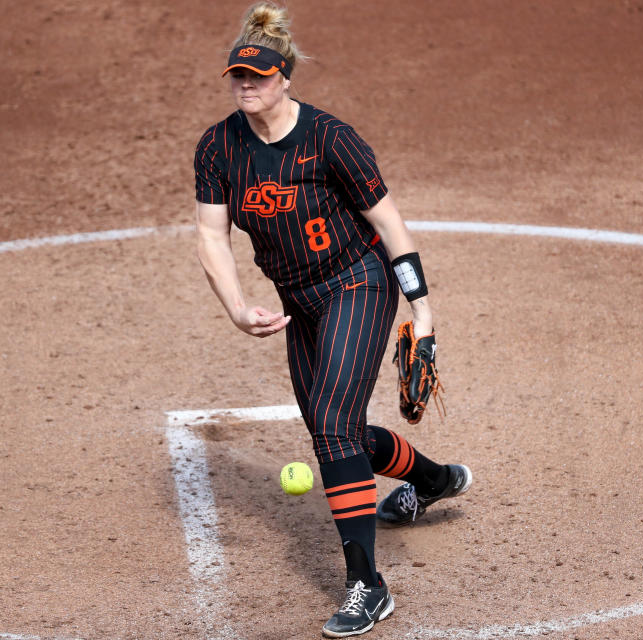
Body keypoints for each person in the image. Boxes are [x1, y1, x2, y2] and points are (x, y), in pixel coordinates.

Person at [193, 3, 472, 637]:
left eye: (259, 76)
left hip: (357, 281)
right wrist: (238, 309)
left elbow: (389, 224)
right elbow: (212, 238)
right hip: (297, 298)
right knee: (330, 425)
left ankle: (367, 586)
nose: (246, 85)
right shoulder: (219, 147)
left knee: (335, 427)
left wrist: (421, 310)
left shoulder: (329, 139)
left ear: (285, 77)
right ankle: (430, 479)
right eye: (238, 76)